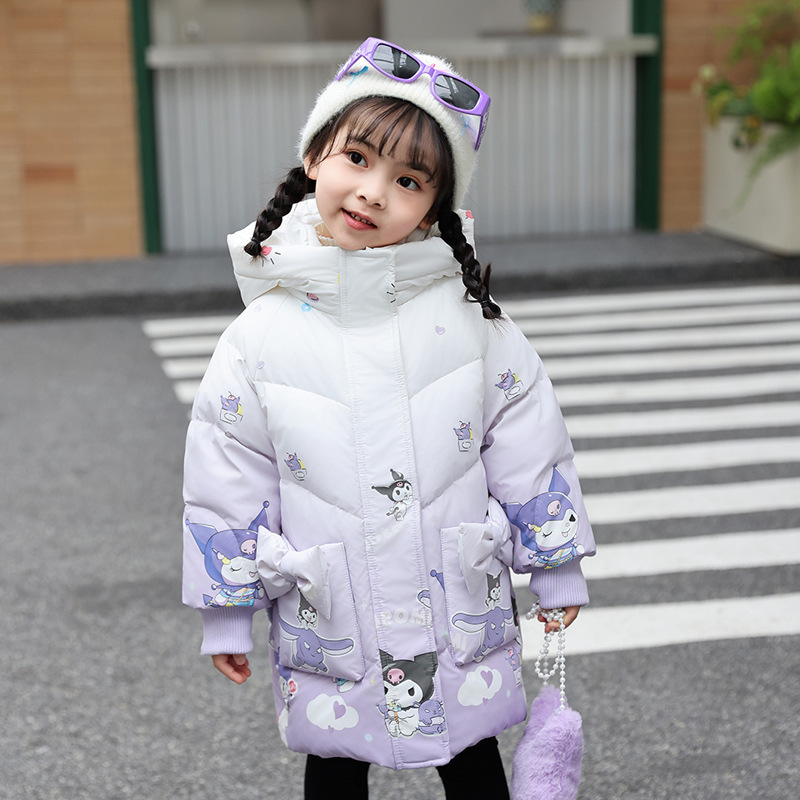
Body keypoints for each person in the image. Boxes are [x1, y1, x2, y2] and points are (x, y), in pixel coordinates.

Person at [182, 37, 595, 800]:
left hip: (455, 602)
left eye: (407, 181)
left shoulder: (471, 321)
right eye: (358, 158)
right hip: (332, 612)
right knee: (335, 766)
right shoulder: (260, 335)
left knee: (472, 759)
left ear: (435, 207)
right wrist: (226, 613)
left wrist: (555, 564)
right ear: (315, 157)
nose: (373, 192)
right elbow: (227, 477)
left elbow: (529, 443)